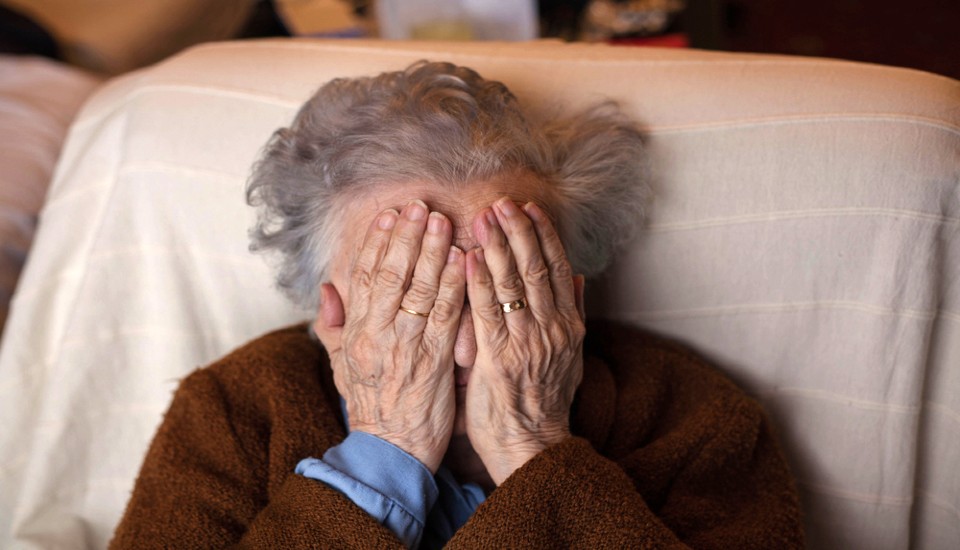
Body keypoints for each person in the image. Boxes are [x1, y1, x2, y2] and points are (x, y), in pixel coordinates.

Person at [111, 61, 803, 548]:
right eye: (414, 295)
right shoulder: (234, 409)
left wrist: (532, 449)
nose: (466, 347)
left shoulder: (691, 416)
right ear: (330, 313)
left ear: (569, 296)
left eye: (505, 292)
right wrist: (386, 450)